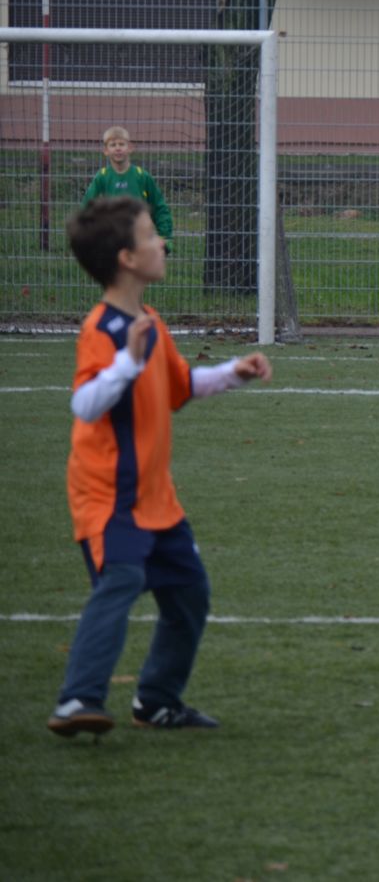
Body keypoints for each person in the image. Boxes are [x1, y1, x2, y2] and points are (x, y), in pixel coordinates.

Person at [48, 195, 272, 738]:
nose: (162, 243)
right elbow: (85, 404)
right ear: (126, 258)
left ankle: (157, 701)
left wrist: (233, 373)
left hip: (156, 499)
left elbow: (179, 386)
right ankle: (78, 699)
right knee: (120, 582)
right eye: (151, 235)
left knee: (189, 594)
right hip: (110, 498)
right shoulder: (103, 329)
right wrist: (126, 362)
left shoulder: (150, 324)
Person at [84, 126, 174, 254]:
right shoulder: (102, 177)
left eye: (122, 144)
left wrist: (165, 236)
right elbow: (87, 208)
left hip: (139, 238)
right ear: (106, 151)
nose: (118, 148)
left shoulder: (142, 176)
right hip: (111, 239)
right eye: (113, 145)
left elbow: (159, 207)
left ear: (130, 148)